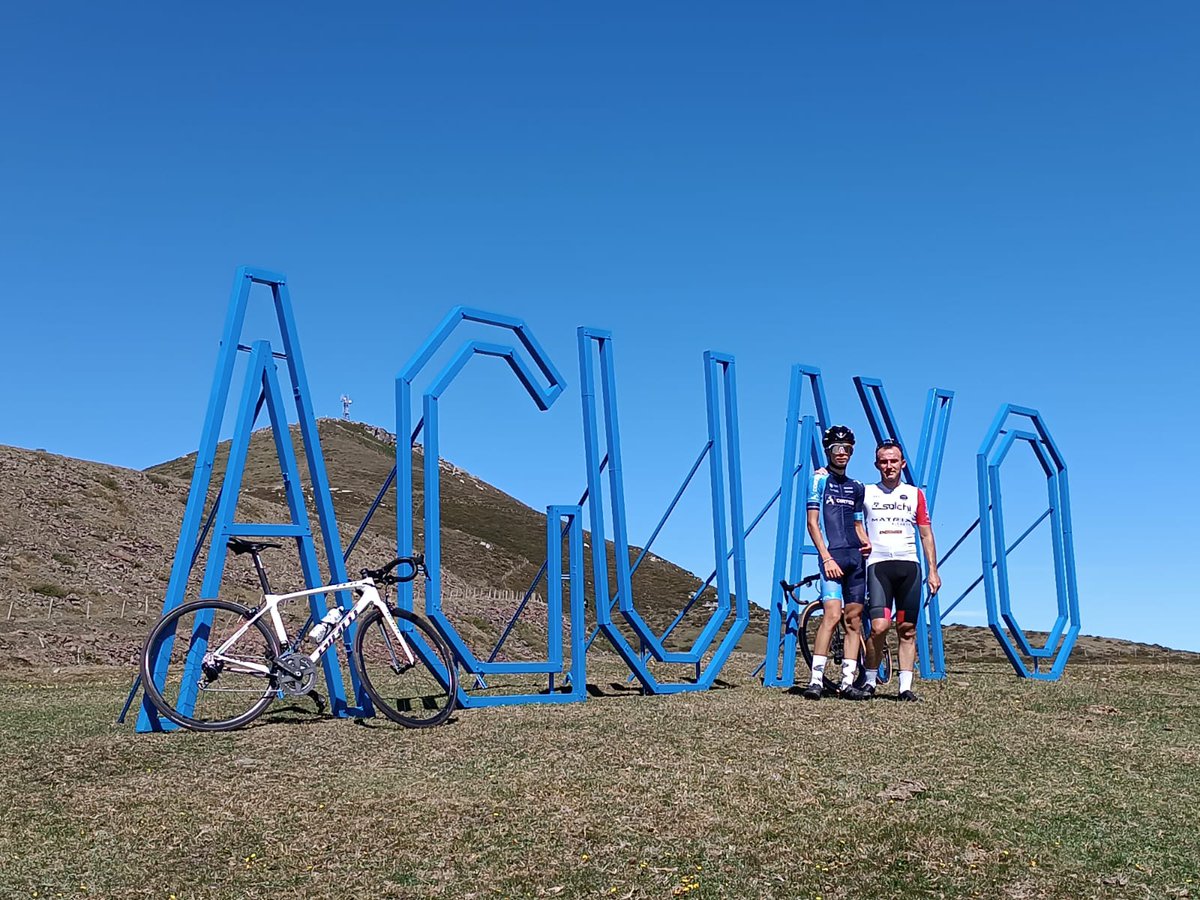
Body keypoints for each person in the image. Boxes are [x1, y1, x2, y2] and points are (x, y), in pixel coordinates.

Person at [861, 439, 941, 701]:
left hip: (909, 566)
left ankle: (905, 687)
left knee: (907, 628)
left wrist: (933, 570)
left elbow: (926, 534)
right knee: (879, 626)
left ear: (902, 464)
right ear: (876, 464)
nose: (889, 466)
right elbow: (846, 510)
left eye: (893, 461)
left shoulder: (915, 493)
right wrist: (823, 474)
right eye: (883, 461)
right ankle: (869, 681)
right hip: (878, 565)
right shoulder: (866, 491)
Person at [802, 425, 872, 700]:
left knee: (853, 622)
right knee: (831, 616)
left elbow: (857, 524)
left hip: (856, 560)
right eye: (836, 449)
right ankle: (816, 681)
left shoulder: (856, 487)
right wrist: (826, 557)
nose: (842, 453)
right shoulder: (819, 479)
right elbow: (812, 523)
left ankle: (846, 683)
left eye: (847, 449)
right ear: (828, 451)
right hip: (833, 558)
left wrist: (866, 542)